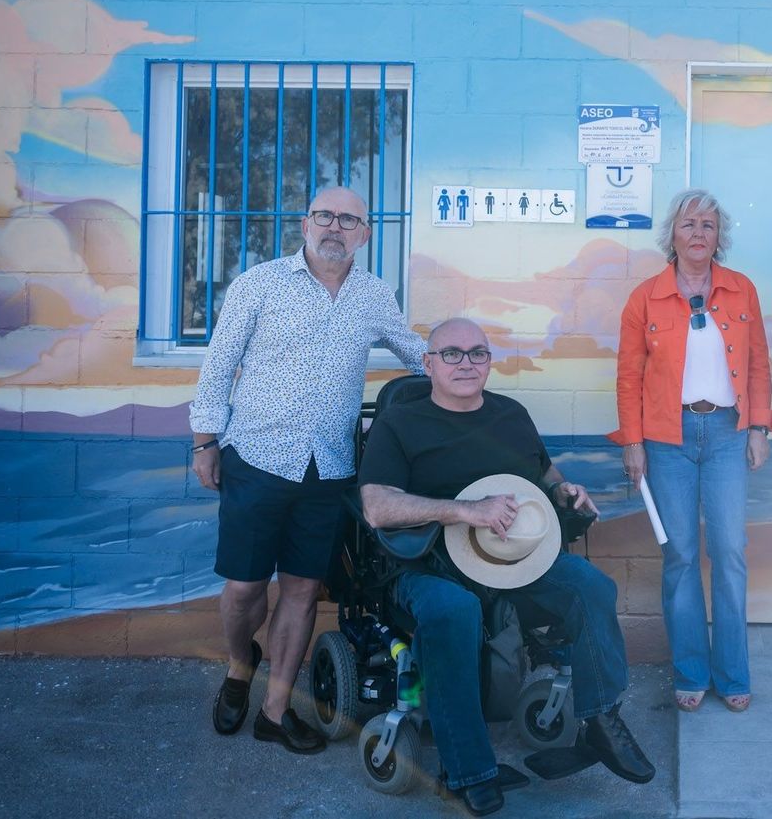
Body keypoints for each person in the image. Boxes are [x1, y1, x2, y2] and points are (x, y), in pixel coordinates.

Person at [360, 318, 655, 817]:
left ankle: (601, 722)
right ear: (428, 364)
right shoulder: (400, 425)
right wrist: (463, 510)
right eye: (451, 354)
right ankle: (470, 770)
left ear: (489, 362)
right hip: (429, 564)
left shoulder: (510, 414)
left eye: (477, 353)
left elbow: (544, 474)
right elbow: (376, 507)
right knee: (454, 610)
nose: (465, 363)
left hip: (510, 558)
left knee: (590, 587)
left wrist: (565, 492)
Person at [190, 185, 427, 754]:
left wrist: (464, 367)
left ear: (365, 233)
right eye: (326, 216)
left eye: (349, 220)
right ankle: (239, 662)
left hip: (330, 468)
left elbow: (413, 350)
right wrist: (204, 443)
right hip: (257, 457)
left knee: (300, 590)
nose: (335, 228)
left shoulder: (374, 294)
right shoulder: (260, 284)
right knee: (246, 586)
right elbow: (218, 365)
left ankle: (274, 712)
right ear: (305, 224)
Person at [611, 188, 772, 714]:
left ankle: (732, 674)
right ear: (673, 235)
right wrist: (633, 442)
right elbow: (628, 376)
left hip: (727, 433)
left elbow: (757, 366)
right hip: (667, 440)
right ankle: (690, 671)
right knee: (680, 556)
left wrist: (756, 428)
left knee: (729, 552)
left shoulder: (741, 290)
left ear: (718, 235)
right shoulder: (646, 298)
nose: (699, 233)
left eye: (708, 224)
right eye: (689, 225)